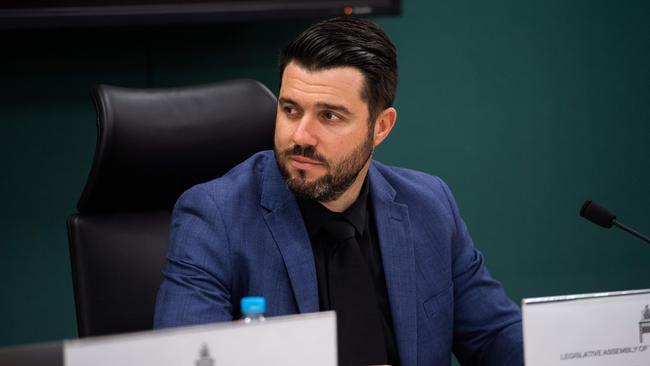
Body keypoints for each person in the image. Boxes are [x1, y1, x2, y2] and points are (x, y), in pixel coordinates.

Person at [154, 16, 523, 366]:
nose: (300, 136)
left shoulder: (428, 205)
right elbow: (186, 357)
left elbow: (495, 337)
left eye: (329, 116)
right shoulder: (215, 216)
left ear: (380, 127)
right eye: (290, 110)